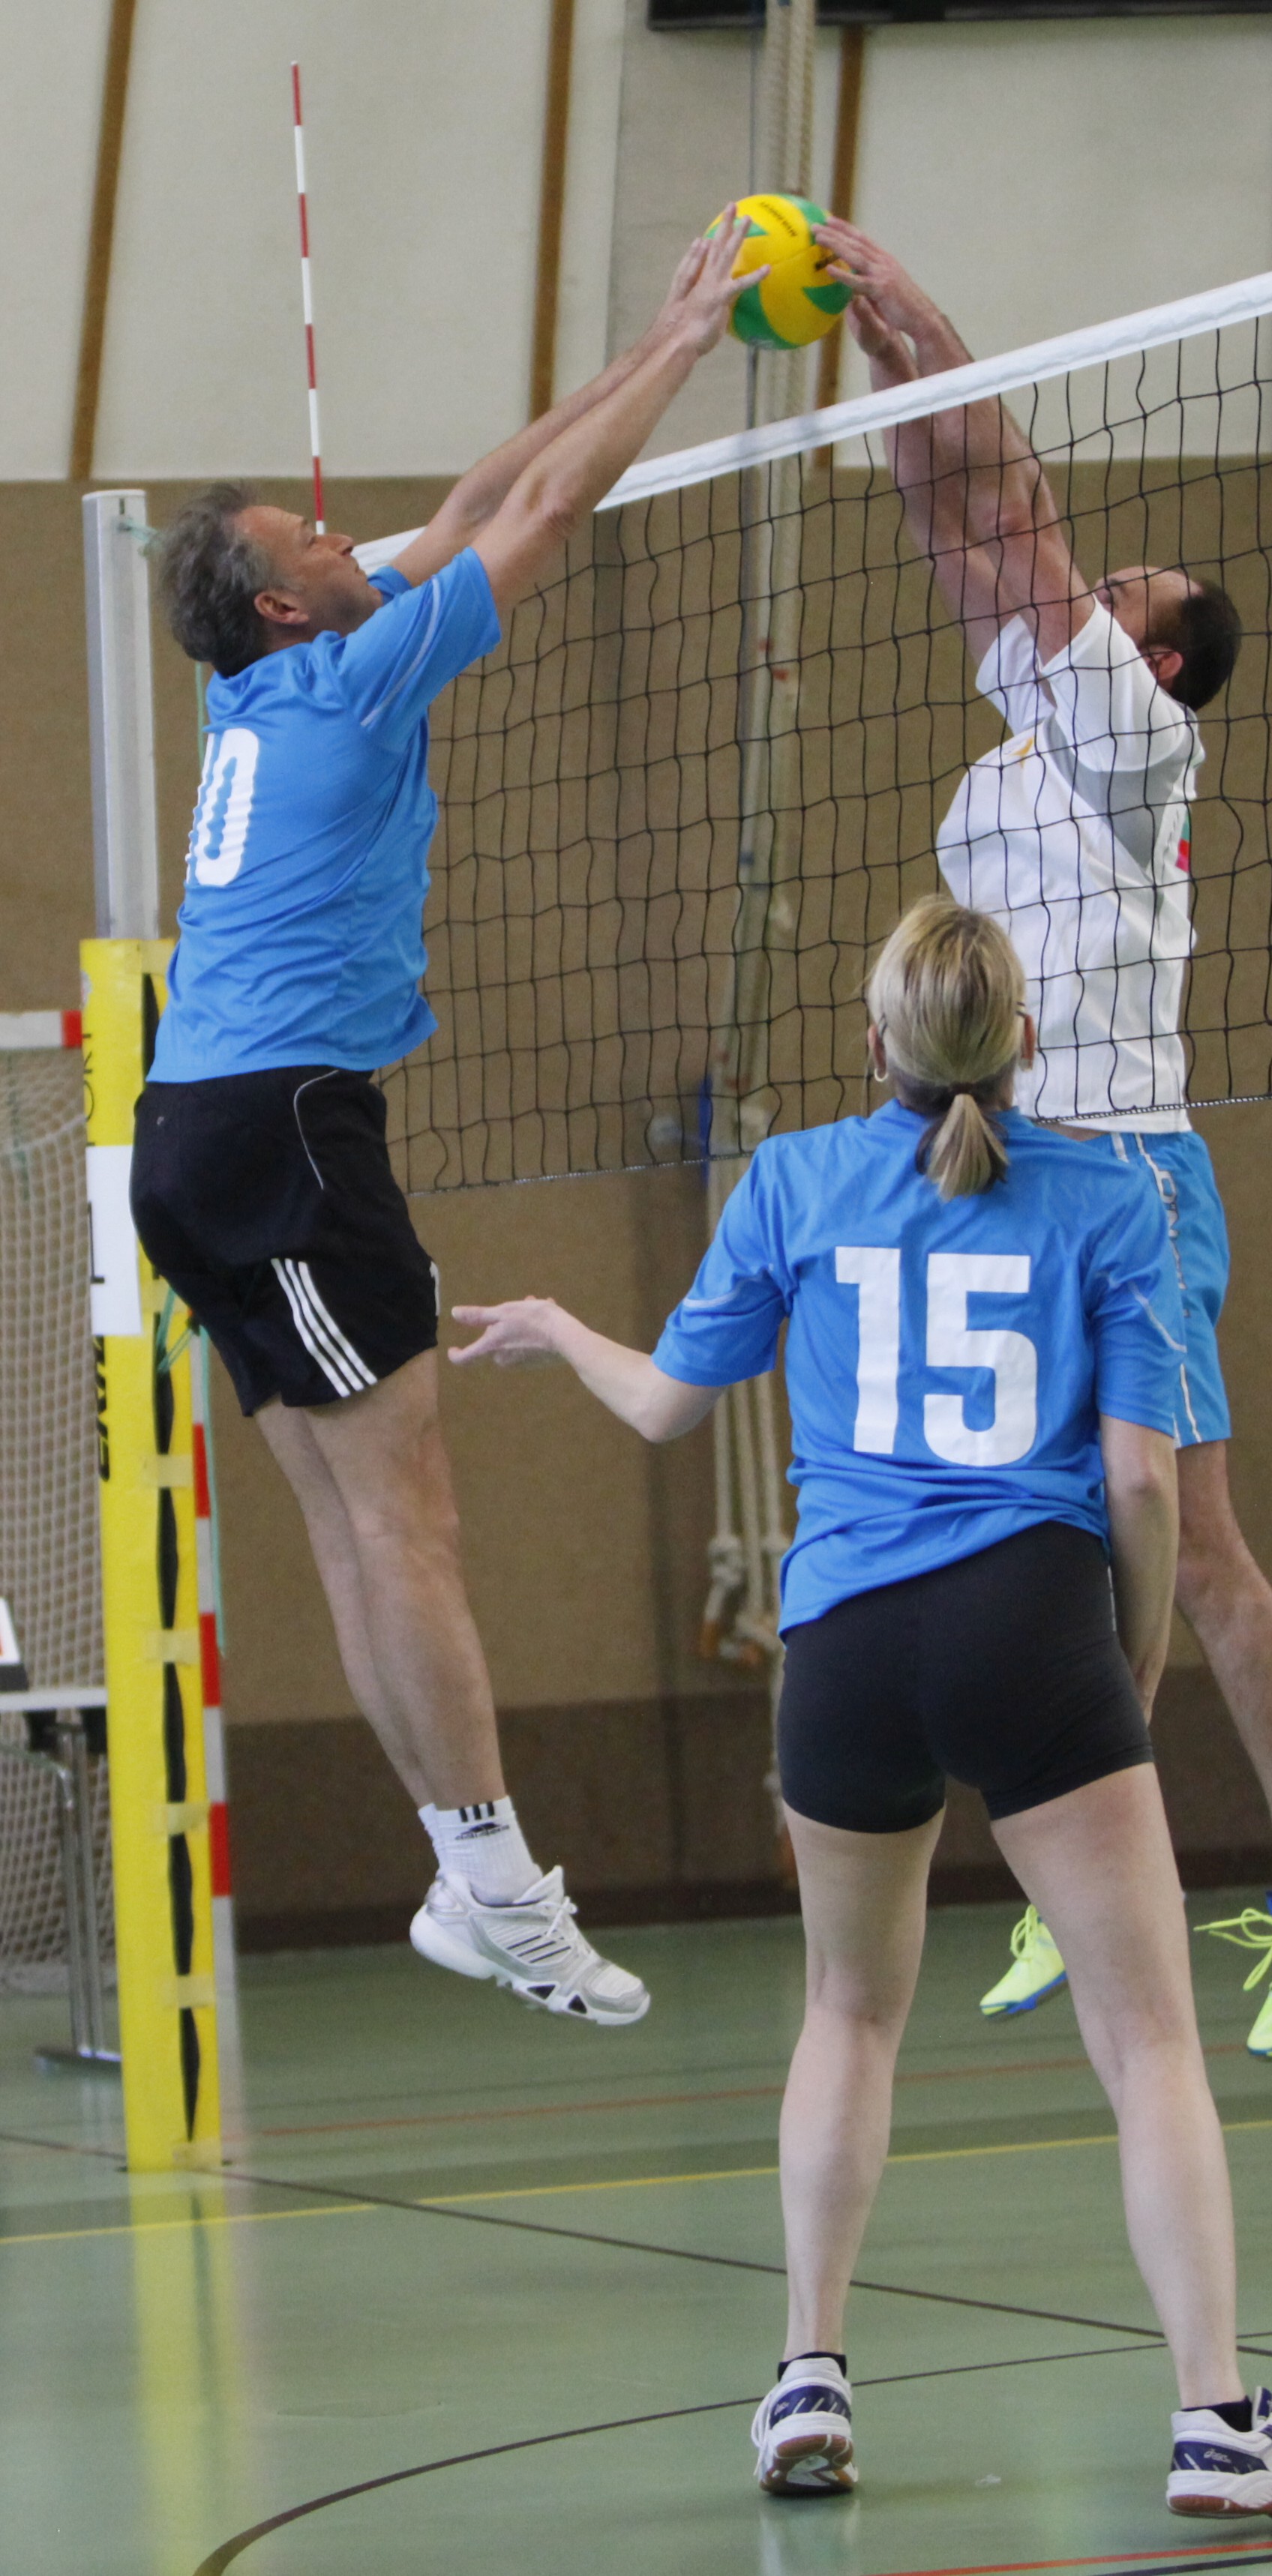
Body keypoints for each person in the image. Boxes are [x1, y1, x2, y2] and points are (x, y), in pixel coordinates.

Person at [450, 897, 1272, 2520]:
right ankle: (1217, 2419)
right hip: (1031, 1628)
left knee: (850, 2010)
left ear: (876, 1040)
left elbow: (667, 1406)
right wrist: (1127, 1669)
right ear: (1024, 1042)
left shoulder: (791, 1179)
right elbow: (1142, 1484)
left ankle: (806, 2373)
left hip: (845, 1644)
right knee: (1148, 2038)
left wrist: (553, 1328)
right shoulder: (1112, 1195)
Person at [131, 217, 765, 2029]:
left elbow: (489, 485)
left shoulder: (255, 677)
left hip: (203, 1138)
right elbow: (546, 513)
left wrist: (643, 336)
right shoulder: (350, 674)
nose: (354, 540)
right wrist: (694, 348)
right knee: (409, 1528)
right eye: (319, 542)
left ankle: (466, 1876)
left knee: (360, 1534)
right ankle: (504, 1886)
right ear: (285, 602)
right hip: (285, 1132)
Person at [814, 217, 1272, 2060]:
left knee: (1196, 1544)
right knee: (1055, 1545)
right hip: (1022, 1179)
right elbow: (954, 516)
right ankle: (1098, 1867)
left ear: (1150, 656)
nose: (1075, 588)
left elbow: (1012, 506)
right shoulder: (1023, 729)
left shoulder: (1130, 746)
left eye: (1113, 591)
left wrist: (921, 308)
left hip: (1130, 1178)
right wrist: (884, 366)